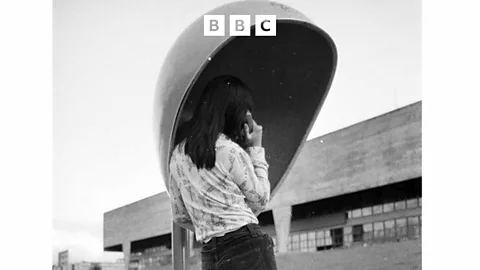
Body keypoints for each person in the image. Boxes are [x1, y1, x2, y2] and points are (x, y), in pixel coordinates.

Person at [168, 75, 277, 270]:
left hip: (210, 253)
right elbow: (260, 200)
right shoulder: (230, 150)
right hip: (246, 245)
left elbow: (179, 216)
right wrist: (256, 149)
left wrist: (212, 225)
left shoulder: (177, 156)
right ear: (234, 113)